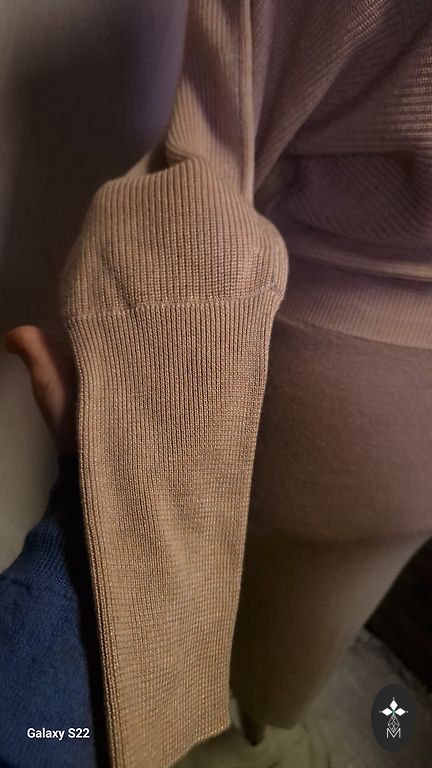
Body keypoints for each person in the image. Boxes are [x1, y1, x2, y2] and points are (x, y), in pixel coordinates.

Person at [3, 2, 432, 767]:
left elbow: (199, 183)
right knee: (301, 639)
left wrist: (86, 518)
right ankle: (259, 726)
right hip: (389, 463)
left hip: (332, 403)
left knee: (218, 623)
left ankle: (236, 727)